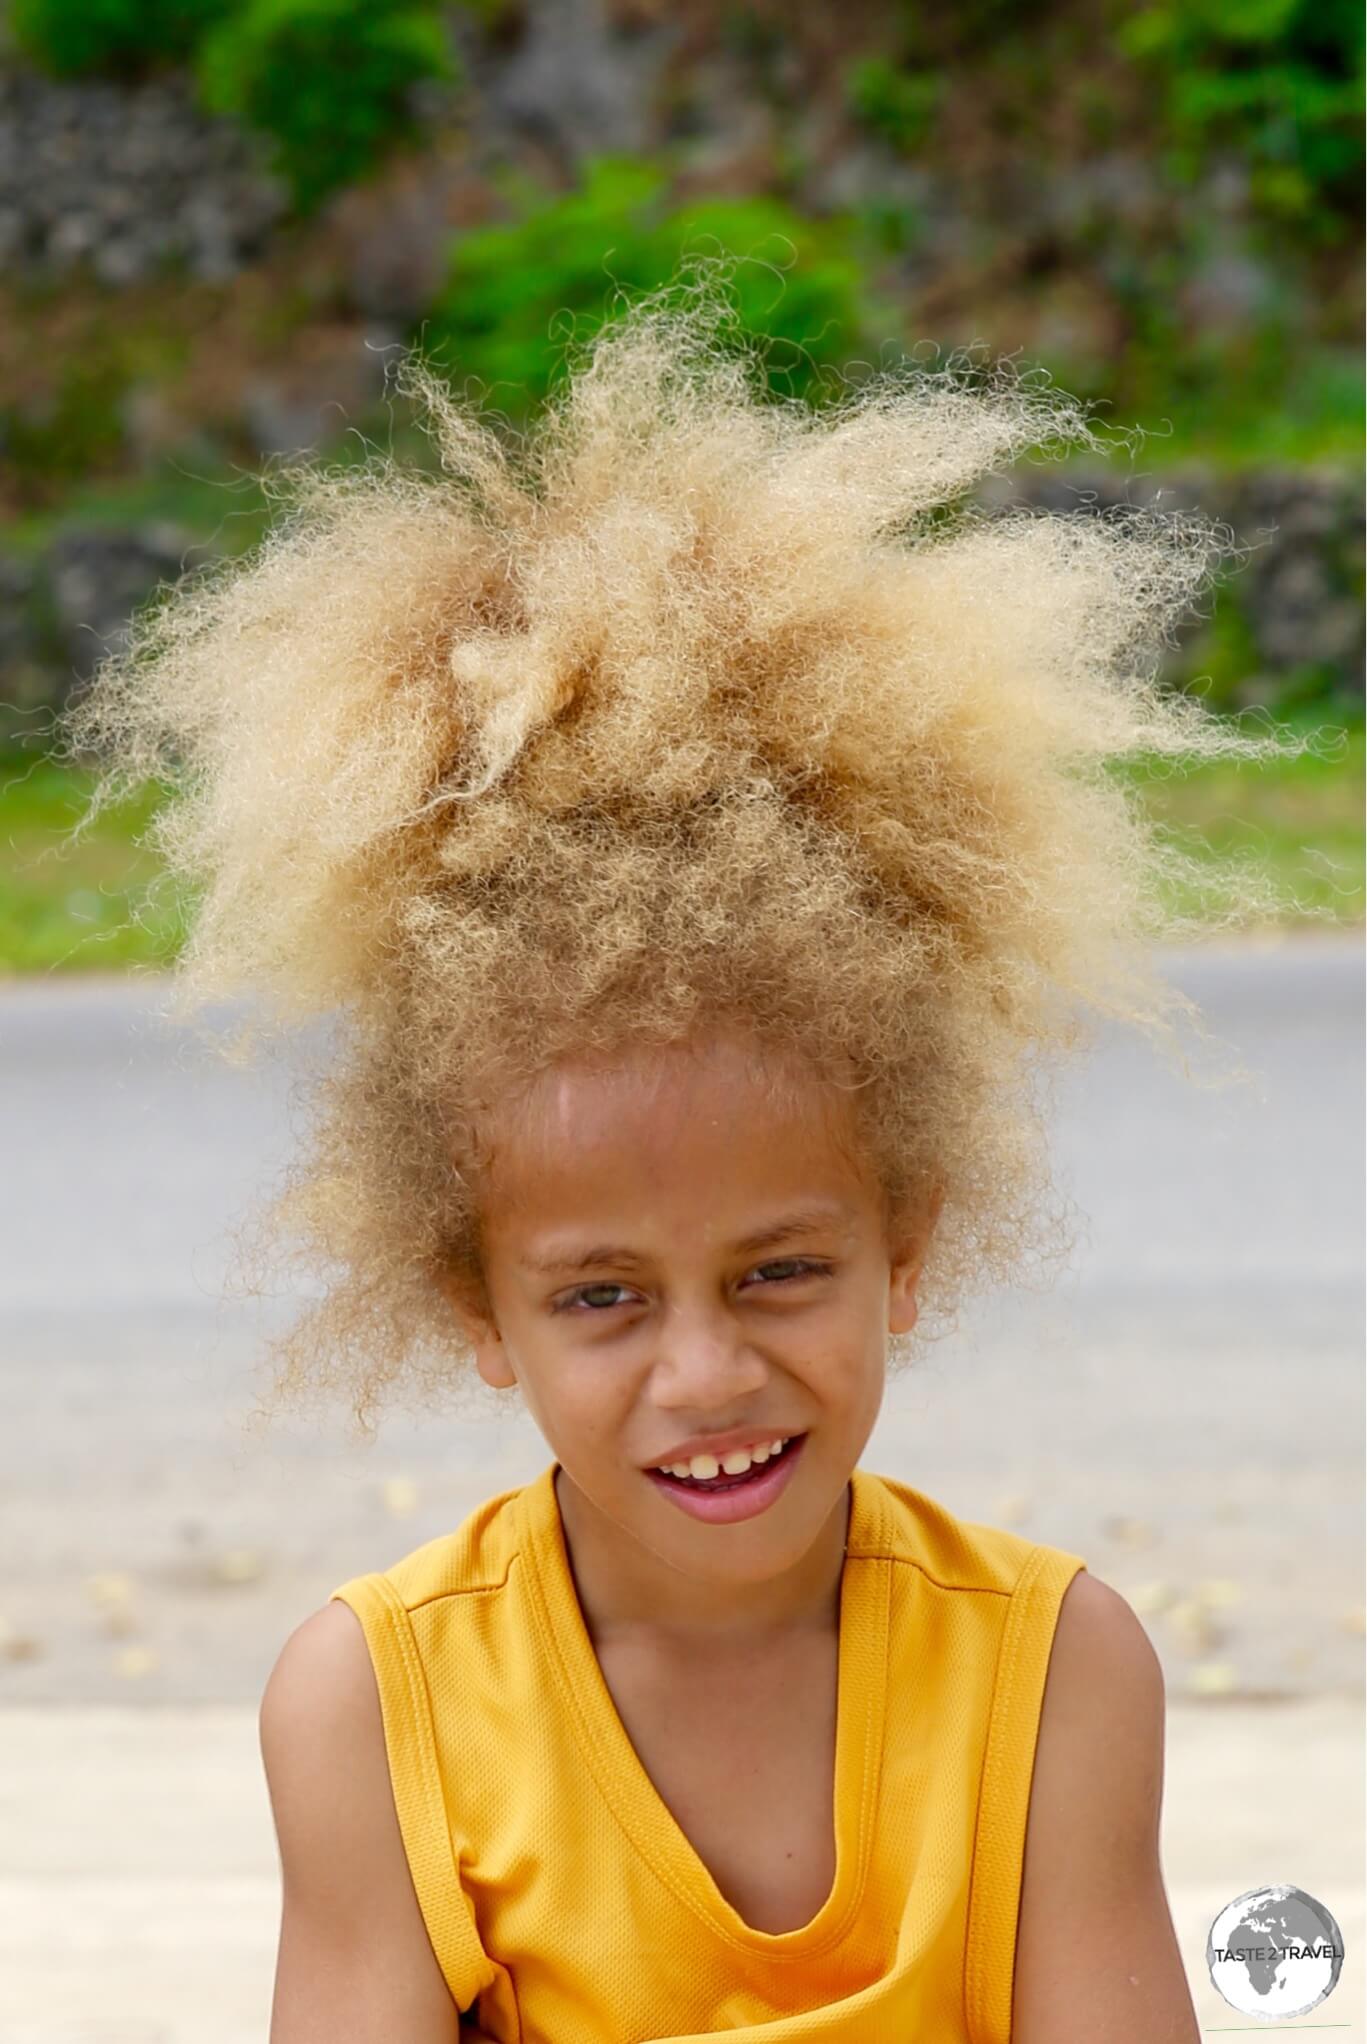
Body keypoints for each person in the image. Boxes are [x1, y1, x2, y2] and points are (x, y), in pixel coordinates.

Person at [60, 263, 1300, 2041]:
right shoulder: (378, 1708)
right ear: (469, 1298)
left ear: (913, 1243)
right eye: (601, 1297)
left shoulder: (1056, 1676)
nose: (707, 1372)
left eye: (782, 1269)